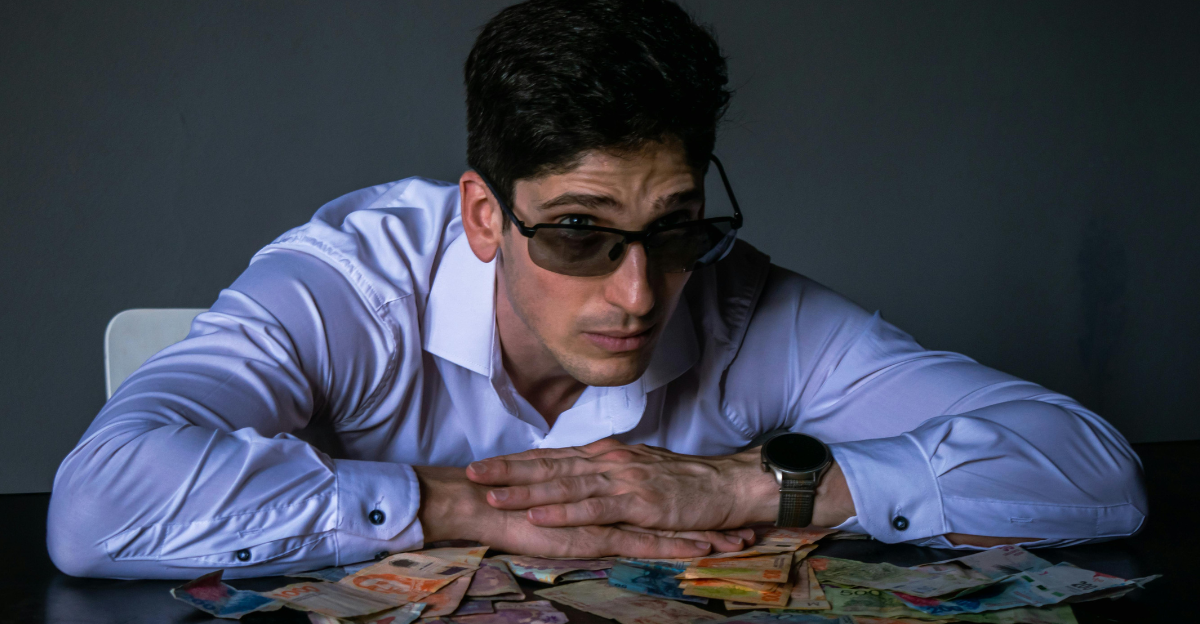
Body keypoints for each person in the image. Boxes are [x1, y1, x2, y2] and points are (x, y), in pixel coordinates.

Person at [47, 0, 1145, 580]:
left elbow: (1095, 474)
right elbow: (100, 508)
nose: (640, 292)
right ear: (486, 215)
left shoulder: (740, 302)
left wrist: (751, 489)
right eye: (579, 235)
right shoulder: (348, 287)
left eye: (674, 229)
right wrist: (458, 503)